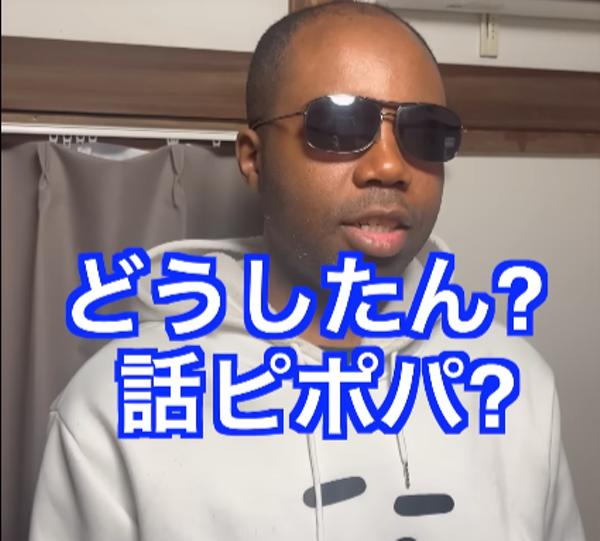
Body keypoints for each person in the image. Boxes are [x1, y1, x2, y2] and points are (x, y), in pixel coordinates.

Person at [29, 2, 585, 540]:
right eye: (339, 124)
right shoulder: (115, 411)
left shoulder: (517, 387)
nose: (389, 166)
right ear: (254, 158)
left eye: (424, 133)